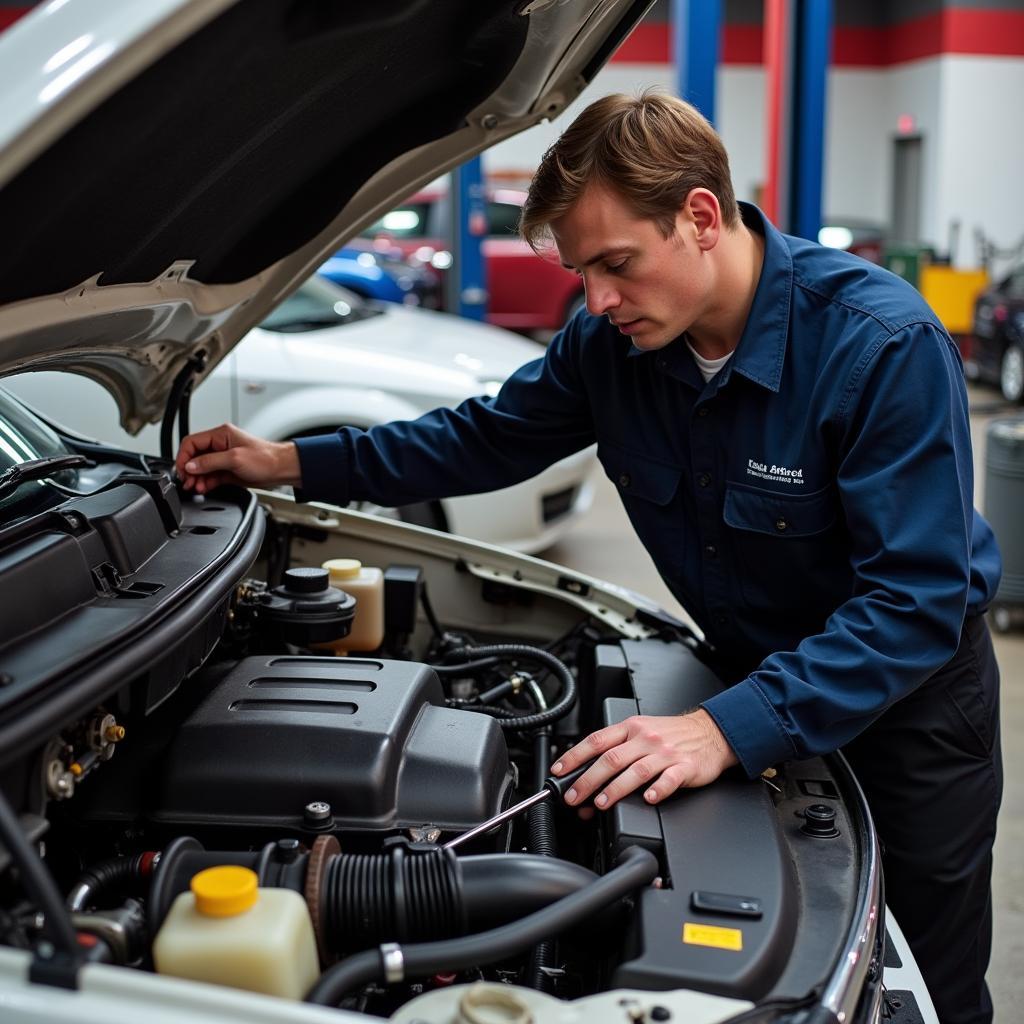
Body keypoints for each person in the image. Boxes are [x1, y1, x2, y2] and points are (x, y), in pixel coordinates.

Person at [176, 90, 1002, 1024]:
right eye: (581, 272)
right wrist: (293, 462)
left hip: (909, 720)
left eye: (616, 264)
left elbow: (915, 600)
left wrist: (725, 729)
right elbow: (483, 438)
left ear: (698, 216)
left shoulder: (880, 345)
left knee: (919, 982)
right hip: (752, 679)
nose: (597, 299)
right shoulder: (613, 346)